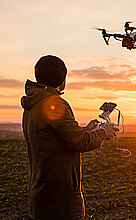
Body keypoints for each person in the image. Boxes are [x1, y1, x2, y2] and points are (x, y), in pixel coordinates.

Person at [21, 55, 119, 219]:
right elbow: (79, 142)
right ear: (62, 78)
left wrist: (86, 130)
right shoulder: (54, 103)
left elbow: (56, 136)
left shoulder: (33, 103)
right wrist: (103, 132)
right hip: (59, 195)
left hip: (41, 189)